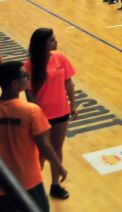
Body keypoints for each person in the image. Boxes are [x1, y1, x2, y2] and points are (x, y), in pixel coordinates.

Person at [0, 61, 68, 212]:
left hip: (3, 183)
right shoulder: (31, 111)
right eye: (25, 76)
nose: (29, 77)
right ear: (14, 84)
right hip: (29, 181)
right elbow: (45, 146)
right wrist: (59, 166)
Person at [23, 28, 75, 201]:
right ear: (42, 44)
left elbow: (69, 83)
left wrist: (73, 105)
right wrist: (37, 114)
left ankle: (55, 185)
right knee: (42, 152)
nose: (56, 42)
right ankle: (34, 187)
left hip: (61, 112)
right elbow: (29, 93)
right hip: (42, 115)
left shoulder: (60, 58)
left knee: (57, 148)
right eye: (52, 40)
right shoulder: (29, 65)